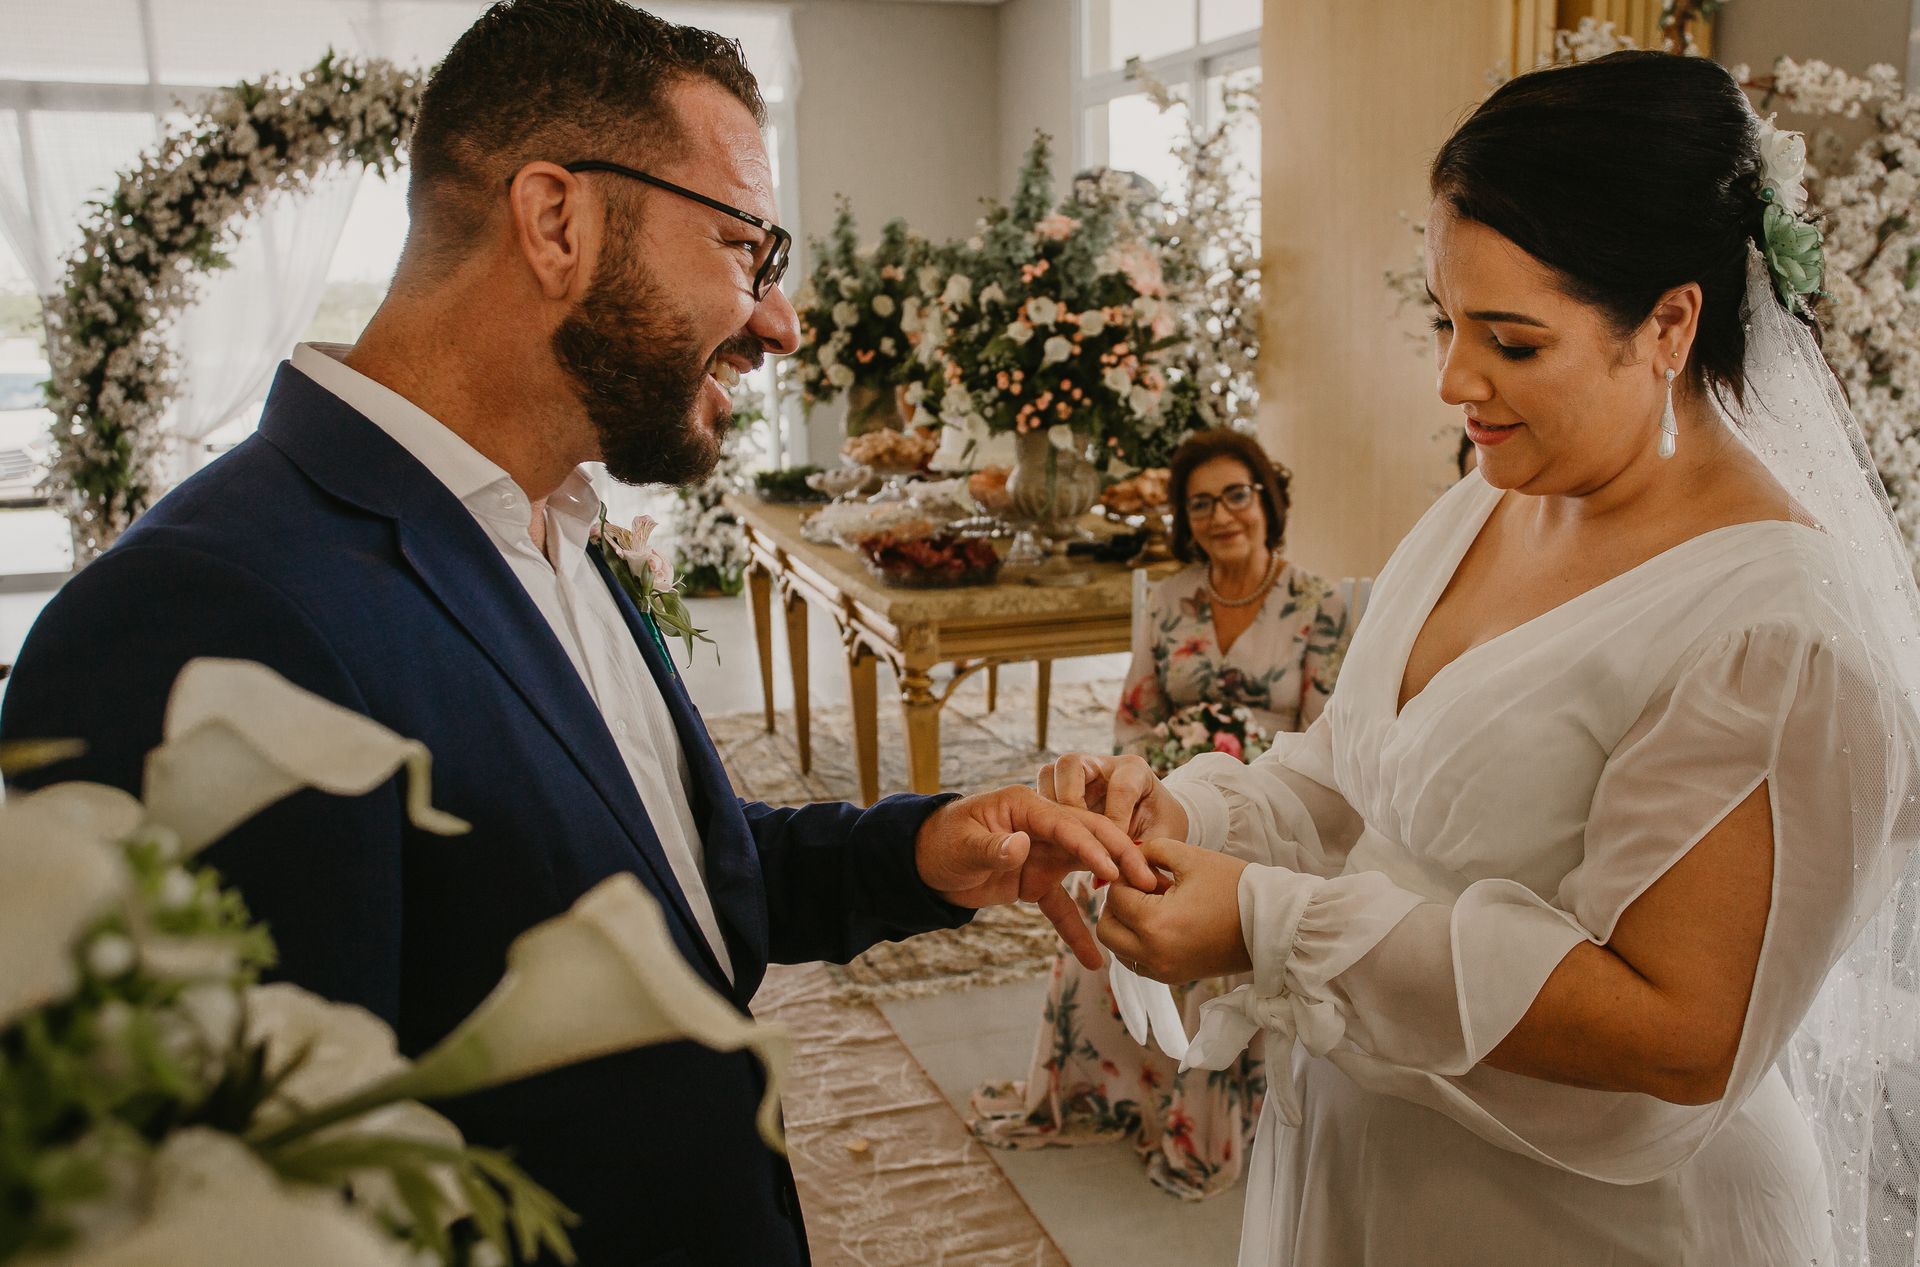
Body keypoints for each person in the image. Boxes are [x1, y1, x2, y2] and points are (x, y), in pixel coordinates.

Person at [0, 5, 1153, 1265]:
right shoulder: (197, 621)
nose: (780, 322)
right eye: (742, 247)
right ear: (558, 221)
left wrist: (920, 849)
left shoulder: (551, 519)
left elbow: (655, 872)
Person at [1036, 51, 1920, 1266]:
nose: (1457, 380)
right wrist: (1184, 813)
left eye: (1510, 341)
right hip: (1374, 1165)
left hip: (1590, 1216)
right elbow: (1359, 774)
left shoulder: (1775, 629)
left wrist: (1267, 922)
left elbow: (1680, 1026)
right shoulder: (1492, 500)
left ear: (1669, 321)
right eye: (1448, 321)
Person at [972, 428, 1347, 1198]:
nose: (1221, 516)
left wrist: (1238, 762)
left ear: (1266, 500)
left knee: (1206, 907)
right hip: (1171, 788)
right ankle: (1093, 1084)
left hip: (1273, 807)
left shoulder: (1322, 603)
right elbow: (1134, 718)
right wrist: (1154, 782)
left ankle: (1199, 1120)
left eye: (1236, 495)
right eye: (1200, 503)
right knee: (1092, 881)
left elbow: (1324, 749)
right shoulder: (1169, 599)